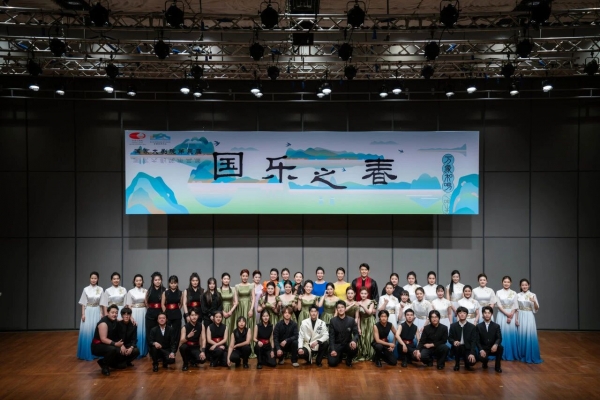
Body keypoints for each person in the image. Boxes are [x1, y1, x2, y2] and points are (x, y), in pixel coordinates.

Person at [78, 271, 103, 361]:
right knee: (87, 331)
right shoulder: (86, 289)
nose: (93, 280)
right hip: (88, 310)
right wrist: (83, 314)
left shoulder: (100, 289)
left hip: (97, 310)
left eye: (95, 278)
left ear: (98, 279)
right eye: (92, 278)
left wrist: (101, 313)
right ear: (90, 279)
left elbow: (101, 303)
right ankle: (87, 352)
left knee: (96, 331)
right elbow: (83, 303)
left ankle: (97, 352)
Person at [515, 279, 542, 364]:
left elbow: (536, 309)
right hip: (520, 315)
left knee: (529, 334)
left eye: (526, 285)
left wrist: (534, 302)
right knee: (521, 333)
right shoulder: (517, 295)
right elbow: (516, 308)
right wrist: (516, 319)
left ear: (528, 285)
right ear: (520, 286)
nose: (524, 286)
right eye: (522, 285)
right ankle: (521, 354)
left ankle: (530, 354)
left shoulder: (532, 295)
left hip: (529, 315)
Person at [91, 304, 121, 376]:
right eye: (112, 312)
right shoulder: (103, 323)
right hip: (98, 346)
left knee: (119, 351)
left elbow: (121, 321)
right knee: (113, 349)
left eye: (116, 313)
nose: (114, 314)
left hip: (106, 344)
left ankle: (109, 362)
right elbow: (103, 339)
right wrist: (115, 344)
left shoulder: (115, 321)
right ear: (108, 313)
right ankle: (104, 365)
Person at [328, 300, 359, 367]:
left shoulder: (351, 320)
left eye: (342, 307)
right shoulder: (333, 321)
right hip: (337, 344)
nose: (340, 309)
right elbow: (331, 337)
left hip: (347, 344)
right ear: (337, 309)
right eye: (338, 307)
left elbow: (356, 333)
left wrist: (354, 341)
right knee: (332, 363)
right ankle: (339, 356)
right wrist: (333, 349)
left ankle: (349, 360)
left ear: (345, 308)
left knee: (354, 348)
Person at [495, 276, 519, 361]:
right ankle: (500, 354)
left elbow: (515, 305)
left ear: (510, 283)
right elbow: (499, 305)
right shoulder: (498, 292)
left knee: (510, 333)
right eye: (505, 282)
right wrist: (507, 314)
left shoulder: (514, 293)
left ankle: (511, 353)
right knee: (500, 333)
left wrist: (510, 315)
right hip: (502, 314)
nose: (506, 283)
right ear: (502, 282)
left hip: (511, 315)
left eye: (508, 282)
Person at [125, 274, 147, 357]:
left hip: (144, 311)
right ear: (134, 281)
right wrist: (130, 316)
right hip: (134, 311)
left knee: (144, 330)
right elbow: (129, 305)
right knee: (135, 330)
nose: (138, 282)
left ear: (142, 281)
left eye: (140, 280)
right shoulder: (130, 291)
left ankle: (143, 351)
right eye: (137, 280)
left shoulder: (145, 291)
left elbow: (147, 303)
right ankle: (134, 351)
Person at [448, 306, 477, 371]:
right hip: (457, 347)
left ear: (467, 314)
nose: (462, 314)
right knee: (457, 347)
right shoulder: (453, 326)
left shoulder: (472, 327)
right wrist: (454, 342)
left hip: (467, 348)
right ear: (457, 314)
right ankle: (457, 364)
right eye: (460, 313)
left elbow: (473, 341)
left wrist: (472, 353)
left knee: (471, 362)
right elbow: (450, 338)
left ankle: (467, 363)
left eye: (464, 313)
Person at [476, 306, 503, 372]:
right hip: (483, 348)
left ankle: (497, 367)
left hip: (493, 347)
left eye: (489, 313)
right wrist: (481, 350)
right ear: (482, 314)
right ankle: (485, 363)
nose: (487, 315)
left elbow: (499, 338)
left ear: (491, 314)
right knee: (482, 358)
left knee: (500, 348)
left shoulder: (496, 326)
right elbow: (477, 340)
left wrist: (496, 345)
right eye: (485, 313)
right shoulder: (478, 326)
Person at [219, 273, 238, 345]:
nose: (226, 280)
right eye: (225, 279)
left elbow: (236, 302)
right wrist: (222, 311)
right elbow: (217, 303)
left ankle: (230, 344)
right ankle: (222, 345)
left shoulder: (233, 289)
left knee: (230, 327)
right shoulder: (218, 290)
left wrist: (230, 311)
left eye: (228, 279)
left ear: (229, 280)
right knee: (221, 327)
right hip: (221, 310)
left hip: (231, 310)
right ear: (221, 279)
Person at [145, 272, 165, 340]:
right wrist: (149, 309)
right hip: (150, 314)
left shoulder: (164, 290)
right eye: (155, 280)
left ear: (161, 280)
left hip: (160, 313)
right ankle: (151, 345)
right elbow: (146, 302)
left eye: (159, 280)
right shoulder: (149, 290)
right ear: (153, 281)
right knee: (150, 331)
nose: (157, 281)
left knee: (160, 331)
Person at [357, 288, 375, 361]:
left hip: (370, 321)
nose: (363, 295)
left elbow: (369, 312)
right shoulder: (358, 303)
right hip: (362, 321)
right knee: (363, 337)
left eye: (365, 293)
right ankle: (364, 353)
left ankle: (371, 354)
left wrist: (363, 306)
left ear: (367, 294)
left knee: (370, 337)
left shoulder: (371, 302)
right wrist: (358, 327)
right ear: (359, 294)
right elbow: (358, 317)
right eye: (362, 293)